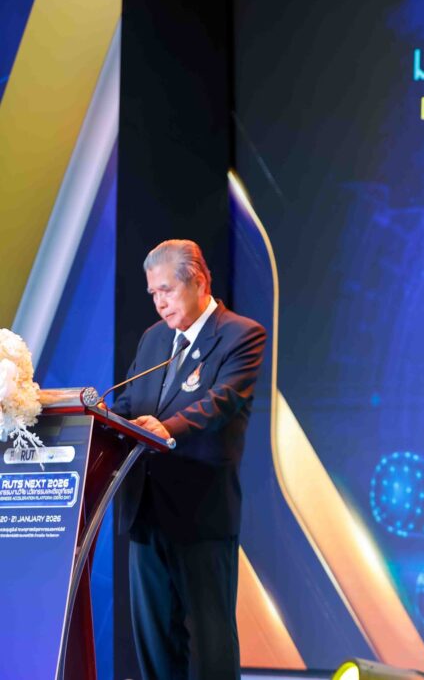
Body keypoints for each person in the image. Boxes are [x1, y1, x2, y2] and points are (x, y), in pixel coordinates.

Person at [112, 239, 266, 679]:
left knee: (209, 647)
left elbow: (222, 402)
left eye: (166, 290)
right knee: (155, 642)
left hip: (201, 514)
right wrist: (94, 416)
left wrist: (168, 429)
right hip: (146, 511)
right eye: (153, 294)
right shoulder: (154, 339)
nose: (159, 303)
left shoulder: (240, 334)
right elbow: (128, 403)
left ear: (198, 282)